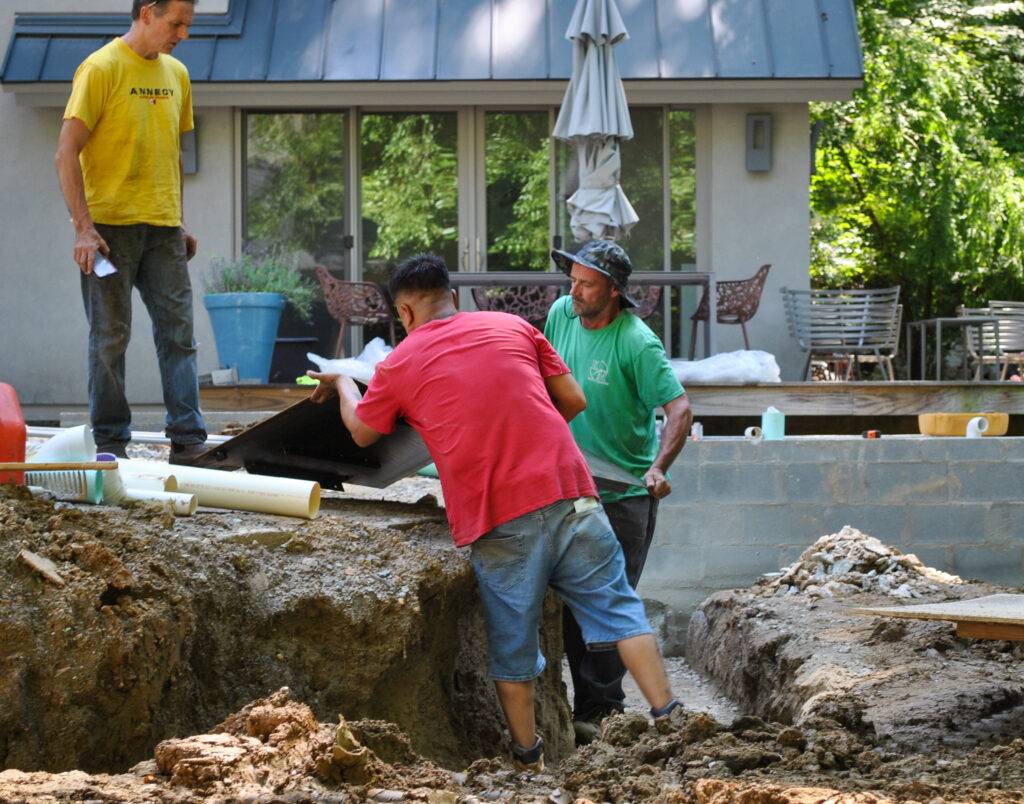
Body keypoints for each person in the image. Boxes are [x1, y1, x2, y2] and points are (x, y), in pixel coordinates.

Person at [309, 254, 680, 771]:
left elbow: (364, 433)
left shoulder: (399, 364)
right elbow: (572, 400)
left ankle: (528, 764)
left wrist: (346, 381)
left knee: (514, 647)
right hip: (572, 492)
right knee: (621, 611)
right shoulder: (512, 326)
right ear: (453, 298)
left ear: (405, 312)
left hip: (500, 518)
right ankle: (673, 719)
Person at [545, 240, 692, 745]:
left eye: (586, 284)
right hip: (569, 483)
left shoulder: (637, 342)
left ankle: (603, 711)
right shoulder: (562, 315)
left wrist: (658, 467)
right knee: (568, 602)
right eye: (573, 280)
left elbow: (680, 410)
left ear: (613, 291)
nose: (574, 291)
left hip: (625, 492)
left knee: (609, 603)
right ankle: (583, 705)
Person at [54, 0, 207, 464]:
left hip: (162, 231)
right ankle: (111, 443)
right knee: (110, 337)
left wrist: (177, 218)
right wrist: (83, 228)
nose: (182, 32)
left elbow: (173, 153)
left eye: (187, 24)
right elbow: (66, 153)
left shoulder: (177, 74)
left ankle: (186, 438)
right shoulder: (100, 68)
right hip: (107, 233)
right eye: (176, 22)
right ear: (147, 13)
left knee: (179, 334)